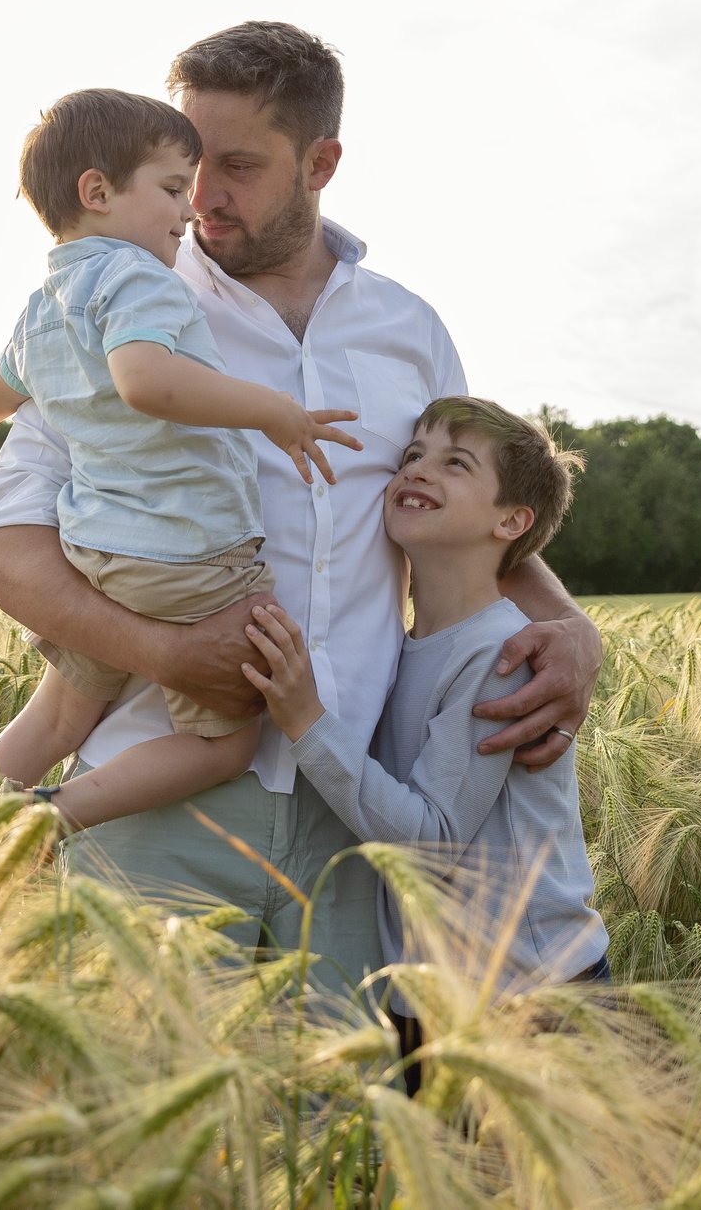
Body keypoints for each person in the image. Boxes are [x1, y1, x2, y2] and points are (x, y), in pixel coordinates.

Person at [0, 22, 604, 991]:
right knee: (148, 1117)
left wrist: (567, 623)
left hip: (353, 823)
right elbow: (4, 551)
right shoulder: (128, 307)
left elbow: (467, 519)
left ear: (322, 160)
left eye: (239, 166)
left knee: (333, 1128)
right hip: (156, 800)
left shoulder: (408, 330)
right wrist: (169, 654)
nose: (204, 195)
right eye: (189, 166)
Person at [0, 87, 361, 830]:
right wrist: (273, 409)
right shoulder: (139, 277)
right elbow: (145, 381)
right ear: (98, 191)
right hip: (186, 553)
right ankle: (57, 814)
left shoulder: (45, 303)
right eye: (174, 188)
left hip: (98, 551)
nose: (190, 209)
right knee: (226, 744)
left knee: (57, 714)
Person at [237, 397, 609, 1084]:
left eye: (455, 462)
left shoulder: (499, 651)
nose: (420, 469)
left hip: (526, 993)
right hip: (427, 992)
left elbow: (432, 841)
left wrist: (305, 720)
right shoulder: (396, 648)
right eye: (412, 455)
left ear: (511, 520)